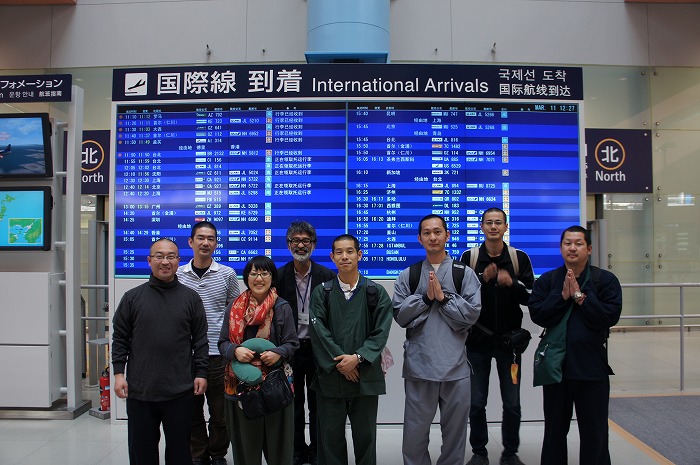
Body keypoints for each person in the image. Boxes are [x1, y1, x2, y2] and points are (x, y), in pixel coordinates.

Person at [528, 225, 622, 465]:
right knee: (554, 432)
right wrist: (562, 297)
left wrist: (580, 297)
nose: (572, 248)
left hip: (591, 368)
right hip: (556, 369)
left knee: (595, 432)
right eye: (567, 243)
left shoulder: (604, 280)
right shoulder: (548, 280)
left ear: (588, 249)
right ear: (561, 248)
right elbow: (538, 315)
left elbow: (608, 317)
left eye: (578, 243)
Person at [392, 214, 482, 465]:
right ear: (419, 238)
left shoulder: (464, 274)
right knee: (414, 435)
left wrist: (443, 299)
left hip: (456, 368)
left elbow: (472, 315)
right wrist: (425, 299)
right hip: (420, 368)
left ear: (447, 235)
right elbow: (400, 315)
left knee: (454, 436)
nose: (432, 237)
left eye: (437, 232)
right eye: (427, 233)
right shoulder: (409, 275)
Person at [112, 238, 209, 465]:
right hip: (141, 391)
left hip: (180, 390)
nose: (165, 262)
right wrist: (118, 374)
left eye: (170, 256)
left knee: (180, 452)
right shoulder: (132, 298)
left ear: (178, 261)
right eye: (159, 256)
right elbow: (120, 338)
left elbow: (200, 340)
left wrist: (201, 373)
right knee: (141, 452)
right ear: (149, 260)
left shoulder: (191, 298)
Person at [308, 234, 393, 465]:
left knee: (366, 438)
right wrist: (342, 364)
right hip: (331, 377)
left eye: (350, 251)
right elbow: (319, 333)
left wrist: (357, 358)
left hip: (364, 377)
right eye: (339, 252)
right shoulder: (322, 293)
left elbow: (381, 332)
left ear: (359, 255)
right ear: (332, 257)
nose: (344, 256)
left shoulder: (375, 292)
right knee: (330, 440)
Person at [459, 208, 534, 465]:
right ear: (481, 227)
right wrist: (482, 279)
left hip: (509, 345)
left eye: (498, 223)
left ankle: (510, 453)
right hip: (476, 343)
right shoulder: (469, 257)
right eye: (489, 222)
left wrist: (511, 282)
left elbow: (531, 296)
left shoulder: (518, 258)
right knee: (476, 402)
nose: (493, 227)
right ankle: (479, 452)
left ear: (505, 227)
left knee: (512, 402)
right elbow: (459, 296)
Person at [218, 255, 299, 465]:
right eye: (254, 273)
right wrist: (235, 350)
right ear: (246, 277)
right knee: (246, 449)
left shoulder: (282, 307)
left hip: (276, 386)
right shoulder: (234, 307)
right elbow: (222, 343)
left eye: (264, 273)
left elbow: (293, 343)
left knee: (279, 450)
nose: (259, 278)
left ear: (272, 277)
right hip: (240, 386)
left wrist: (278, 353)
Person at [178, 221, 241, 465]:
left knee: (220, 412)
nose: (205, 243)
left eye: (211, 239)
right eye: (200, 238)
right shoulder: (178, 275)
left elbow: (235, 314)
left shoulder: (227, 274)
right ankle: (198, 455)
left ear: (216, 243)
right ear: (190, 242)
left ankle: (217, 454)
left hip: (217, 353)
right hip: (186, 354)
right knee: (191, 411)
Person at [275, 221, 335, 465]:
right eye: (295, 241)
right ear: (288, 245)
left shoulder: (327, 276)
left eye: (306, 241)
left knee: (319, 403)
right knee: (293, 403)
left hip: (318, 349)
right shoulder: (278, 276)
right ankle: (296, 449)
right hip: (290, 350)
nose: (301, 245)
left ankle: (318, 450)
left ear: (314, 245)